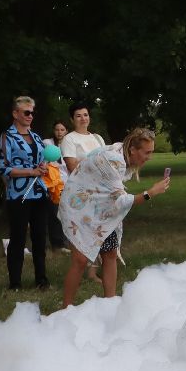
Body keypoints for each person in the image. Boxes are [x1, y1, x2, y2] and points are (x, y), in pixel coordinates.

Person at [58, 126, 170, 307]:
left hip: (102, 208)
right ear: (133, 149)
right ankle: (65, 310)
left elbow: (109, 193)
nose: (149, 157)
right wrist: (150, 193)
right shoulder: (114, 160)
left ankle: (109, 306)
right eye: (147, 152)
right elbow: (121, 201)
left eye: (151, 152)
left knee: (109, 253)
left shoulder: (123, 152)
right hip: (78, 206)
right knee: (80, 260)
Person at [0, 96, 52, 290]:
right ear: (15, 113)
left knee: (40, 237)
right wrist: (31, 172)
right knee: (18, 238)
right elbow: (4, 168)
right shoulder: (7, 137)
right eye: (26, 112)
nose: (30, 116)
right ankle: (15, 283)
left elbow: (42, 161)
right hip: (18, 195)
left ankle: (41, 279)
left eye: (32, 112)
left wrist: (43, 167)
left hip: (39, 193)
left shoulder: (36, 137)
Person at [59, 101, 106, 174]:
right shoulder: (69, 139)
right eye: (78, 116)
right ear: (72, 120)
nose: (83, 118)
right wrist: (95, 160)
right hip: (83, 180)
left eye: (85, 115)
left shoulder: (98, 138)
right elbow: (72, 168)